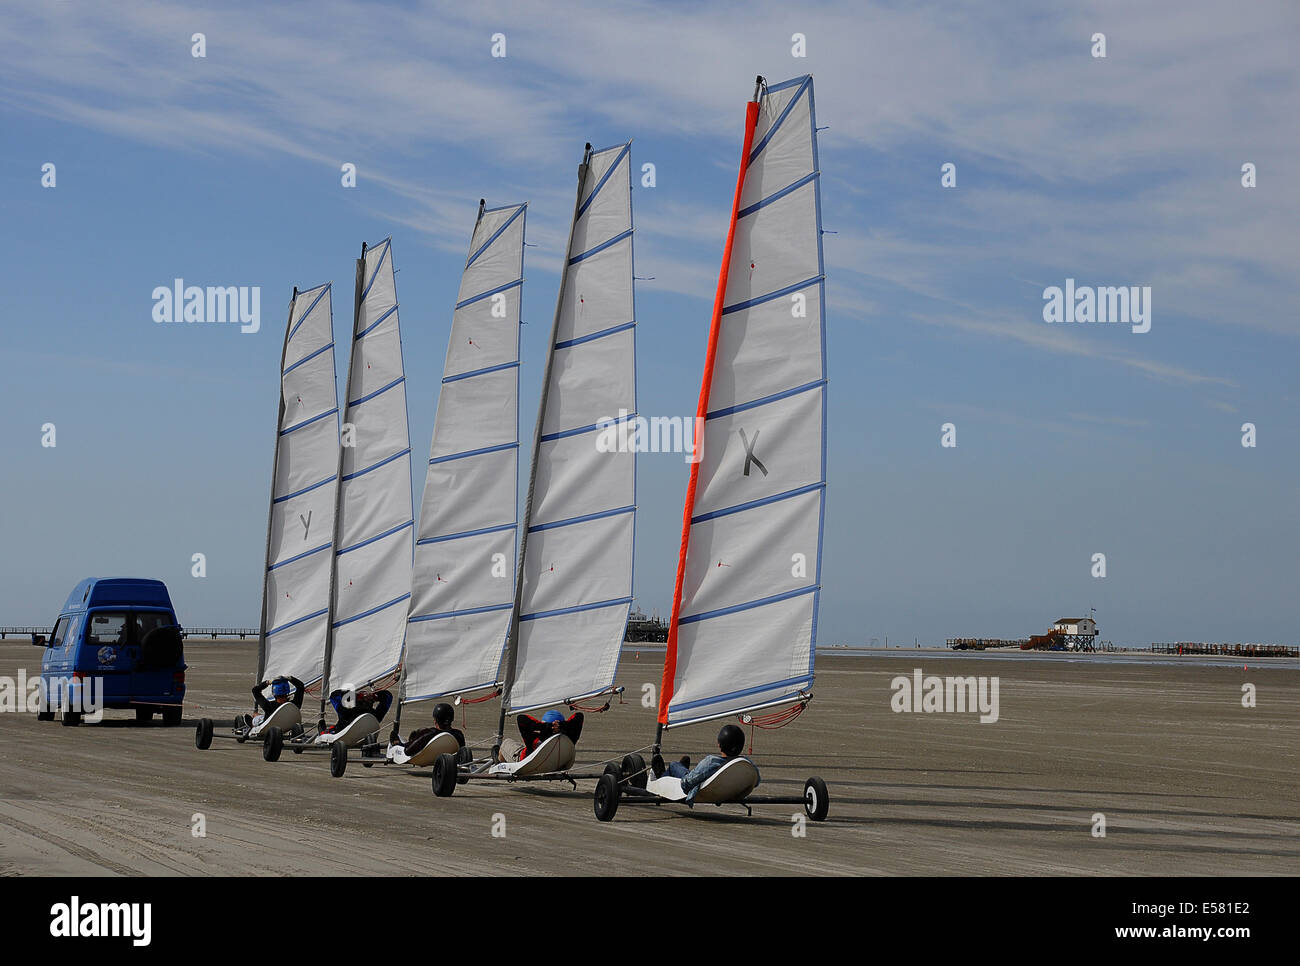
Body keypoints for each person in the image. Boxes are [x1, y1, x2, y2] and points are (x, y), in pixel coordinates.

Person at [652, 724, 759, 803]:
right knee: (689, 772)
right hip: (729, 792)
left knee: (674, 766)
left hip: (702, 792)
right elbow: (757, 781)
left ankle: (662, 775)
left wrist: (686, 777)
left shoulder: (712, 762)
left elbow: (686, 784)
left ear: (719, 744)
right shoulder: (746, 764)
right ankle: (682, 769)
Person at [497, 709, 584, 762]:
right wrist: (562, 726)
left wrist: (546, 728)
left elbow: (521, 718)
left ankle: (499, 762)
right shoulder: (569, 737)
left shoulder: (537, 736)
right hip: (558, 761)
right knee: (520, 746)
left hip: (528, 760)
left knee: (506, 743)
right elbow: (579, 716)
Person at [388, 702, 466, 760]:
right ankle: (413, 740)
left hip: (423, 757)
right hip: (448, 758)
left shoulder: (429, 733)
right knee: (419, 733)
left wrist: (400, 745)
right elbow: (462, 753)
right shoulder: (458, 734)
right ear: (452, 719)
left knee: (395, 735)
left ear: (435, 720)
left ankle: (405, 742)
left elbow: (408, 752)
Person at [236, 675, 305, 732]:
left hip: (267, 726)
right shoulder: (294, 705)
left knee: (256, 718)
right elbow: (301, 686)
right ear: (288, 691)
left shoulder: (269, 706)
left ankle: (254, 720)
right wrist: (290, 678)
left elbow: (255, 690)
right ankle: (257, 716)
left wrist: (268, 682)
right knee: (259, 716)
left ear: (274, 692)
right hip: (286, 725)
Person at [320, 688, 393, 736]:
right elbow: (387, 696)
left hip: (343, 732)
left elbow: (334, 696)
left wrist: (353, 695)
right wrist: (374, 696)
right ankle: (323, 730)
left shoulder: (347, 714)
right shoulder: (375, 716)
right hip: (358, 734)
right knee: (327, 732)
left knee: (329, 731)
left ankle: (323, 729)